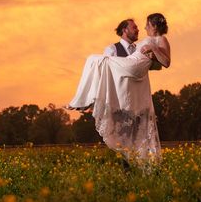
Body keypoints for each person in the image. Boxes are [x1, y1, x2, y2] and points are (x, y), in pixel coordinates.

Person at [67, 13, 171, 172]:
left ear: (154, 26)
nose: (140, 29)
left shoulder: (153, 42)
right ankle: (87, 100)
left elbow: (161, 63)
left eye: (144, 25)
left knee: (97, 61)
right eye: (134, 27)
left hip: (134, 97)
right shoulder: (112, 48)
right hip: (119, 101)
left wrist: (152, 50)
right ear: (124, 30)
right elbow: (108, 78)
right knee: (99, 62)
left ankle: (140, 168)